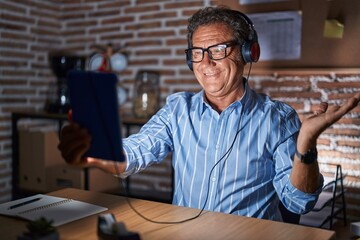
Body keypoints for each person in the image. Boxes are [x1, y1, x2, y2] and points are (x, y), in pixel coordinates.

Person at [58, 6, 360, 221]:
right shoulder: (178, 109)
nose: (206, 63)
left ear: (246, 54)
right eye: (197, 53)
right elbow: (133, 154)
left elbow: (299, 202)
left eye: (218, 50)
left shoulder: (277, 117)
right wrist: (95, 152)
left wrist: (305, 144)